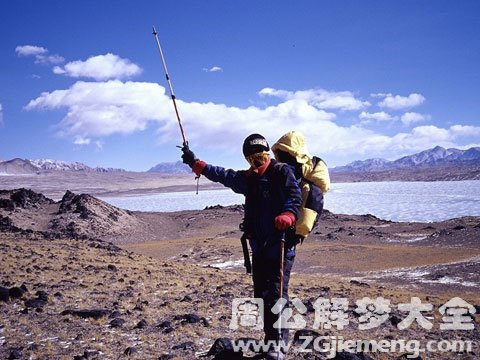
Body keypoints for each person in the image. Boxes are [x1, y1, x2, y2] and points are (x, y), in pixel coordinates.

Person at [181, 134, 302, 360]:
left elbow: (294, 197)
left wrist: (288, 214)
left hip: (280, 246)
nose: (257, 162)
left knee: (277, 294)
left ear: (268, 154)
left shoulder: (282, 172)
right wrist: (196, 163)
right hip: (259, 247)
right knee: (262, 295)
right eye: (252, 159)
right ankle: (271, 340)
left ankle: (279, 344)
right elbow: (224, 175)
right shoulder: (249, 180)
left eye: (261, 156)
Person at [271, 130, 330, 244]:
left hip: (286, 230)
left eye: (284, 152)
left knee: (282, 260)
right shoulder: (299, 175)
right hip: (288, 230)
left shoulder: (295, 175)